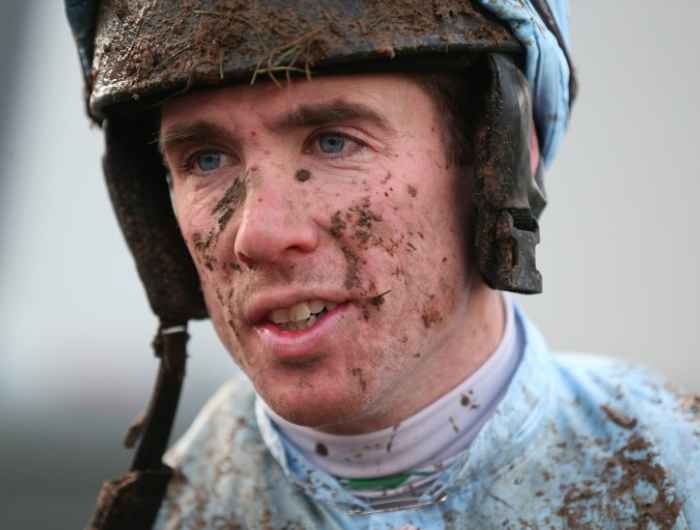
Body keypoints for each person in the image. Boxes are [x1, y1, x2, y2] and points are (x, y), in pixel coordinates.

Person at [65, 1, 699, 529]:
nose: (257, 235)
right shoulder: (175, 516)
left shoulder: (678, 478)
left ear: (501, 165)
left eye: (334, 141)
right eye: (205, 159)